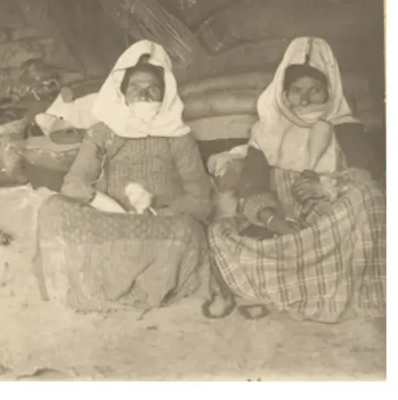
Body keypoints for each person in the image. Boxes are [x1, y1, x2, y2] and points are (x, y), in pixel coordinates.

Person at [203, 36, 386, 323]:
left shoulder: (347, 129)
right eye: (296, 91)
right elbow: (253, 187)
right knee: (219, 233)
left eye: (315, 90)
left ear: (331, 92)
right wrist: (274, 221)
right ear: (283, 95)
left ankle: (298, 285)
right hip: (282, 227)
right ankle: (295, 280)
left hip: (330, 228)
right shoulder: (266, 133)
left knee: (372, 197)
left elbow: (369, 178)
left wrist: (328, 186)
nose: (304, 99)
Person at [35, 40, 212, 312]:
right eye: (135, 88)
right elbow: (72, 184)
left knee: (188, 231)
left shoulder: (179, 137)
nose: (144, 94)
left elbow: (201, 202)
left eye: (152, 89)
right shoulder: (103, 131)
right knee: (52, 209)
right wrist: (103, 202)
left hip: (158, 228)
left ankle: (106, 284)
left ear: (165, 94)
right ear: (122, 93)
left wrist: (158, 211)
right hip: (107, 221)